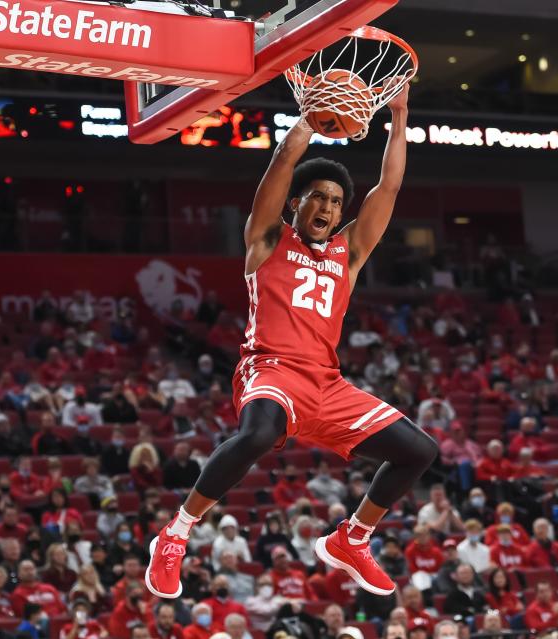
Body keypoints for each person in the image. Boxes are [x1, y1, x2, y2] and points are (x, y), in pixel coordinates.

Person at [145, 82, 436, 600]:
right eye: (317, 196)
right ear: (297, 203)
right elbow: (281, 165)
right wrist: (306, 121)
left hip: (327, 384)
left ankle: (353, 538)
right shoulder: (268, 238)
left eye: (336, 200)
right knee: (257, 435)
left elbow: (388, 188)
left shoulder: (348, 254)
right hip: (271, 369)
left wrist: (400, 112)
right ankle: (176, 533)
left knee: (419, 451)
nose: (327, 205)